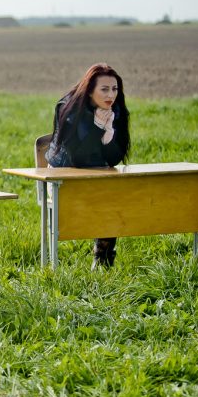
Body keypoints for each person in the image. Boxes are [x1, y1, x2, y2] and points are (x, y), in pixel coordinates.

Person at [46, 62, 131, 268]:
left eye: (114, 89)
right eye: (104, 89)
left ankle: (102, 260)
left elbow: (114, 158)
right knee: (101, 197)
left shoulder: (117, 110)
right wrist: (97, 128)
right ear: (90, 90)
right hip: (64, 175)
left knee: (114, 197)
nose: (110, 95)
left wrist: (108, 135)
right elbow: (76, 155)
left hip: (97, 172)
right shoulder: (68, 108)